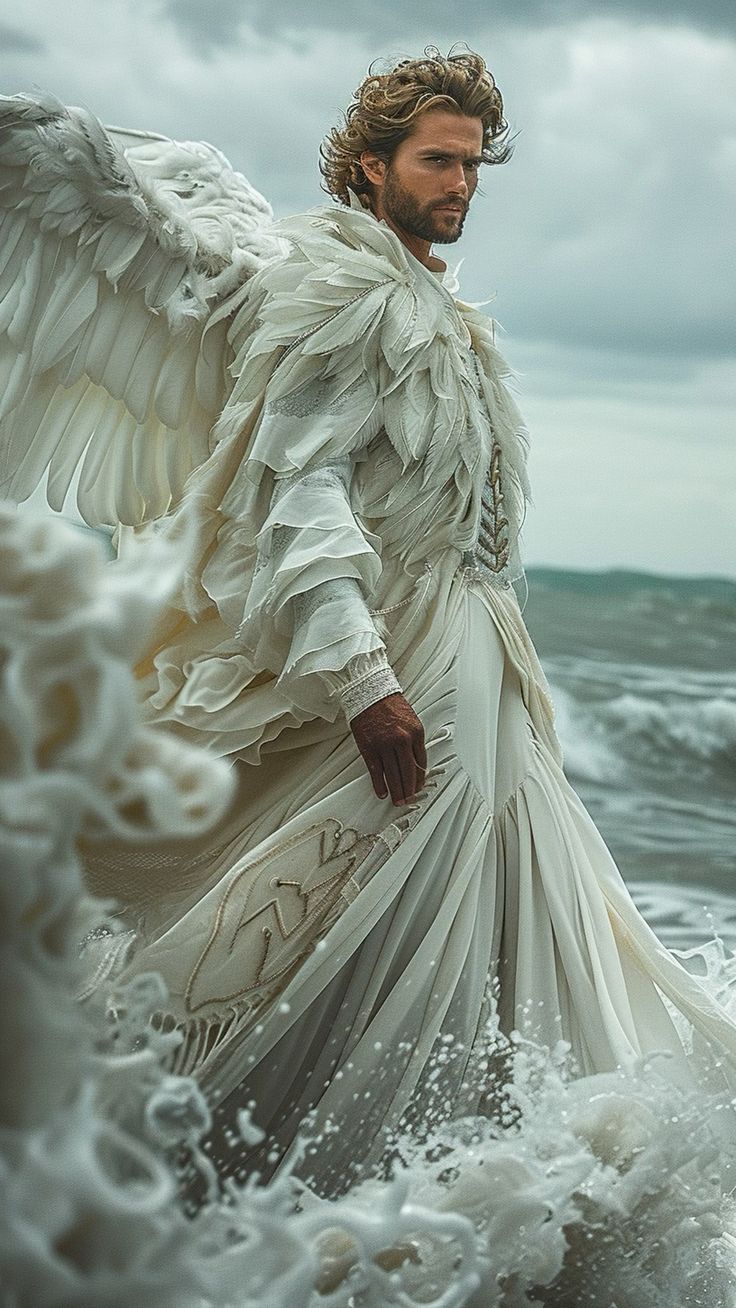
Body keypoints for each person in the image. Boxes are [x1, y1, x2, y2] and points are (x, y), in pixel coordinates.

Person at [77, 48, 736, 1202]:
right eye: (438, 159)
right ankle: (266, 1179)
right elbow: (298, 492)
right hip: (408, 659)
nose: (462, 183)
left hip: (480, 657)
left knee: (487, 910)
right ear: (370, 164)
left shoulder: (430, 300)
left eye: (474, 163)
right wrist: (362, 677)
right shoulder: (348, 293)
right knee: (362, 924)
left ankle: (486, 1180)